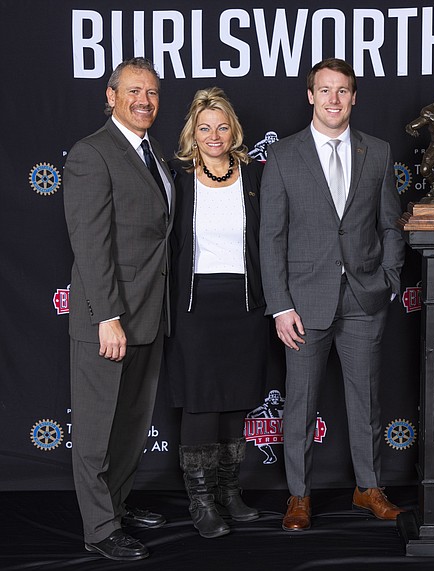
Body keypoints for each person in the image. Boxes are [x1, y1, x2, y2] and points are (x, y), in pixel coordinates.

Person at [260, 58, 405, 531]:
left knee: (367, 402)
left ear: (354, 97)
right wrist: (280, 305)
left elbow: (390, 224)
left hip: (364, 297)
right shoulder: (283, 155)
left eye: (343, 91)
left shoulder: (378, 152)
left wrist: (389, 280)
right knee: (300, 402)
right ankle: (299, 496)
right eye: (325, 91)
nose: (334, 100)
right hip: (303, 304)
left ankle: (368, 488)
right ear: (310, 96)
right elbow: (272, 238)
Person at [63, 57, 173, 561]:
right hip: (108, 317)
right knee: (96, 428)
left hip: (149, 311)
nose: (143, 101)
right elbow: (90, 245)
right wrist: (107, 316)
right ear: (111, 96)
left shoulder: (155, 155)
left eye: (151, 93)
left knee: (130, 423)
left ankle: (118, 505)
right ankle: (99, 528)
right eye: (133, 92)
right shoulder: (92, 154)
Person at [163, 87, 267, 539]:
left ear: (234, 131)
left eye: (222, 126)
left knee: (236, 398)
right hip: (195, 303)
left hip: (244, 302)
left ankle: (229, 491)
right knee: (202, 401)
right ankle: (201, 501)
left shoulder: (255, 175)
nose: (214, 135)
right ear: (192, 132)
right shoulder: (178, 177)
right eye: (205, 127)